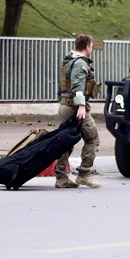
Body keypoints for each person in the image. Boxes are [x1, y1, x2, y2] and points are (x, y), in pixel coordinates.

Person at [55, 34, 101, 189]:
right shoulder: (80, 63)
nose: (92, 49)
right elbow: (77, 86)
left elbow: (64, 87)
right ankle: (84, 175)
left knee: (66, 141)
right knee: (92, 138)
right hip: (75, 107)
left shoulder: (68, 61)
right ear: (87, 47)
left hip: (66, 105)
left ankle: (61, 177)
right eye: (92, 46)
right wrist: (81, 106)